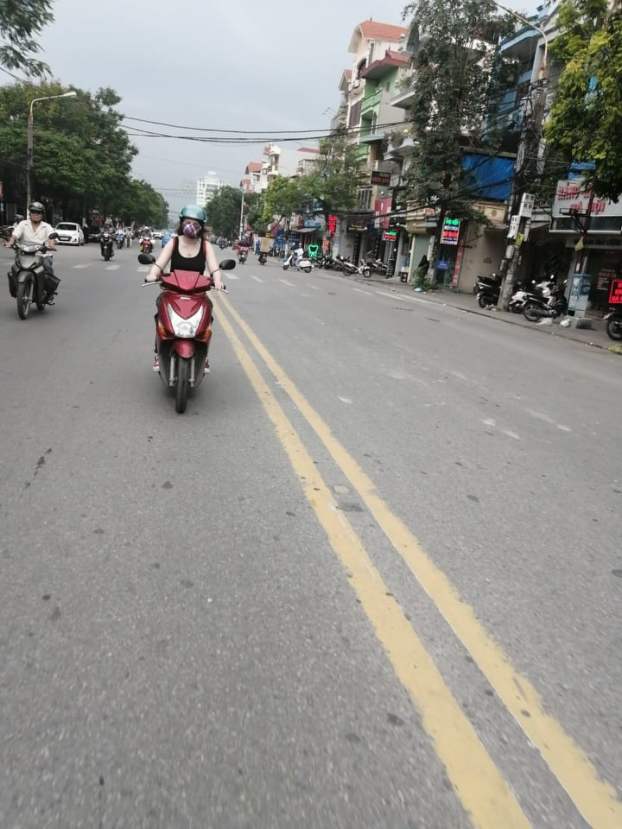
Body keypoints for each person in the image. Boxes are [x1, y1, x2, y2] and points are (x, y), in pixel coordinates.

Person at [145, 205, 224, 372]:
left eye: (195, 224)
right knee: (160, 315)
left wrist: (218, 281)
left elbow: (214, 268)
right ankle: (158, 352)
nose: (191, 226)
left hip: (198, 294)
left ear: (201, 226)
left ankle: (204, 355)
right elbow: (159, 264)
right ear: (181, 223)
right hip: (173, 292)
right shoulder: (174, 242)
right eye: (187, 222)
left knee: (208, 316)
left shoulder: (205, 246)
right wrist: (152, 274)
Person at [5, 202, 57, 281]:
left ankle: (48, 286)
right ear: (30, 213)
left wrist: (51, 245)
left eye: (38, 212)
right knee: (14, 269)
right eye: (33, 212)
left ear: (42, 214)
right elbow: (15, 235)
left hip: (41, 254)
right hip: (23, 253)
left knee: (47, 266)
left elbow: (51, 237)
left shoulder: (47, 226)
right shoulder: (23, 224)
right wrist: (10, 243)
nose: (36, 214)